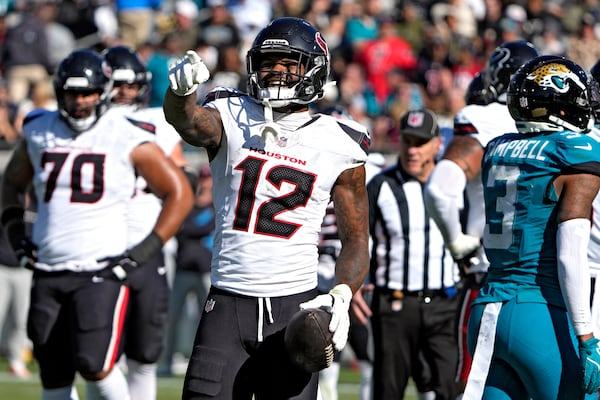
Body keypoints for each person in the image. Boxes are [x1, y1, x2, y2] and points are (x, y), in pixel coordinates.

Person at [164, 17, 371, 399]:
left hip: (295, 306)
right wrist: (180, 94)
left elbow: (356, 238)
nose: (275, 72)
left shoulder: (341, 142)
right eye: (267, 63)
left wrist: (342, 293)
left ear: (313, 69)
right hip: (227, 302)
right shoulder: (231, 114)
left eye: (288, 63)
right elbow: (189, 122)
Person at [0, 48, 193, 400]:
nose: (81, 102)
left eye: (88, 92)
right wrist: (15, 234)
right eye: (73, 93)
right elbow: (11, 183)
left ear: (102, 93)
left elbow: (179, 192)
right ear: (60, 92)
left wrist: (144, 251)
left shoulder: (126, 132)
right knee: (53, 372)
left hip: (99, 270)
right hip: (48, 269)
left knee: (96, 365)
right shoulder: (40, 129)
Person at [464, 54, 600, 399]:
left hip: (489, 307)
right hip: (540, 314)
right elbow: (570, 253)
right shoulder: (575, 152)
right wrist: (586, 335)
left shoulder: (499, 148)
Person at [423, 40, 539, 396]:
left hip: (492, 280)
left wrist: (458, 243)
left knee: (473, 388)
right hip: (547, 284)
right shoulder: (567, 134)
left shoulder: (484, 119)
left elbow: (441, 190)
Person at [103, 44, 191, 400]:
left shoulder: (158, 122)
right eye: (117, 84)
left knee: (144, 352)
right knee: (98, 354)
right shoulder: (87, 124)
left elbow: (179, 180)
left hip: (148, 244)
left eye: (130, 84)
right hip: (100, 244)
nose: (124, 92)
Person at [360, 108, 460, 399]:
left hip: (444, 304)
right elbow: (358, 240)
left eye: (420, 142)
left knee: (450, 389)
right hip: (394, 305)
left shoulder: (455, 184)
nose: (412, 150)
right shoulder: (381, 186)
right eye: (407, 141)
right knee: (388, 390)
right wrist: (354, 284)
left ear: (437, 143)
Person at [158, 164, 215, 377]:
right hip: (184, 269)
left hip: (206, 271)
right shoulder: (188, 204)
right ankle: (168, 360)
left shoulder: (216, 205)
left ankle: (203, 362)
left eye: (207, 178)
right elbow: (180, 227)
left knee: (208, 322)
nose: (204, 182)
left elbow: (199, 228)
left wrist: (190, 230)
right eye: (202, 178)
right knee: (173, 318)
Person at [0, 220, 32, 379]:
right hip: (1, 268)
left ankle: (16, 361)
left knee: (22, 319)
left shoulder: (34, 208)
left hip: (24, 270)